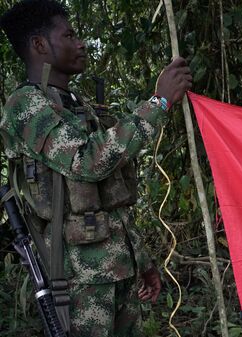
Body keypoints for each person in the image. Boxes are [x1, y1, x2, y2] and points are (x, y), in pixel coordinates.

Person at [0, 1, 192, 336]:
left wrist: (141, 261)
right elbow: (87, 162)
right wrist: (158, 102)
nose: (81, 43)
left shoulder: (77, 106)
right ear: (39, 45)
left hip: (118, 273)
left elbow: (107, 197)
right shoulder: (26, 106)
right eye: (70, 35)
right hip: (77, 283)